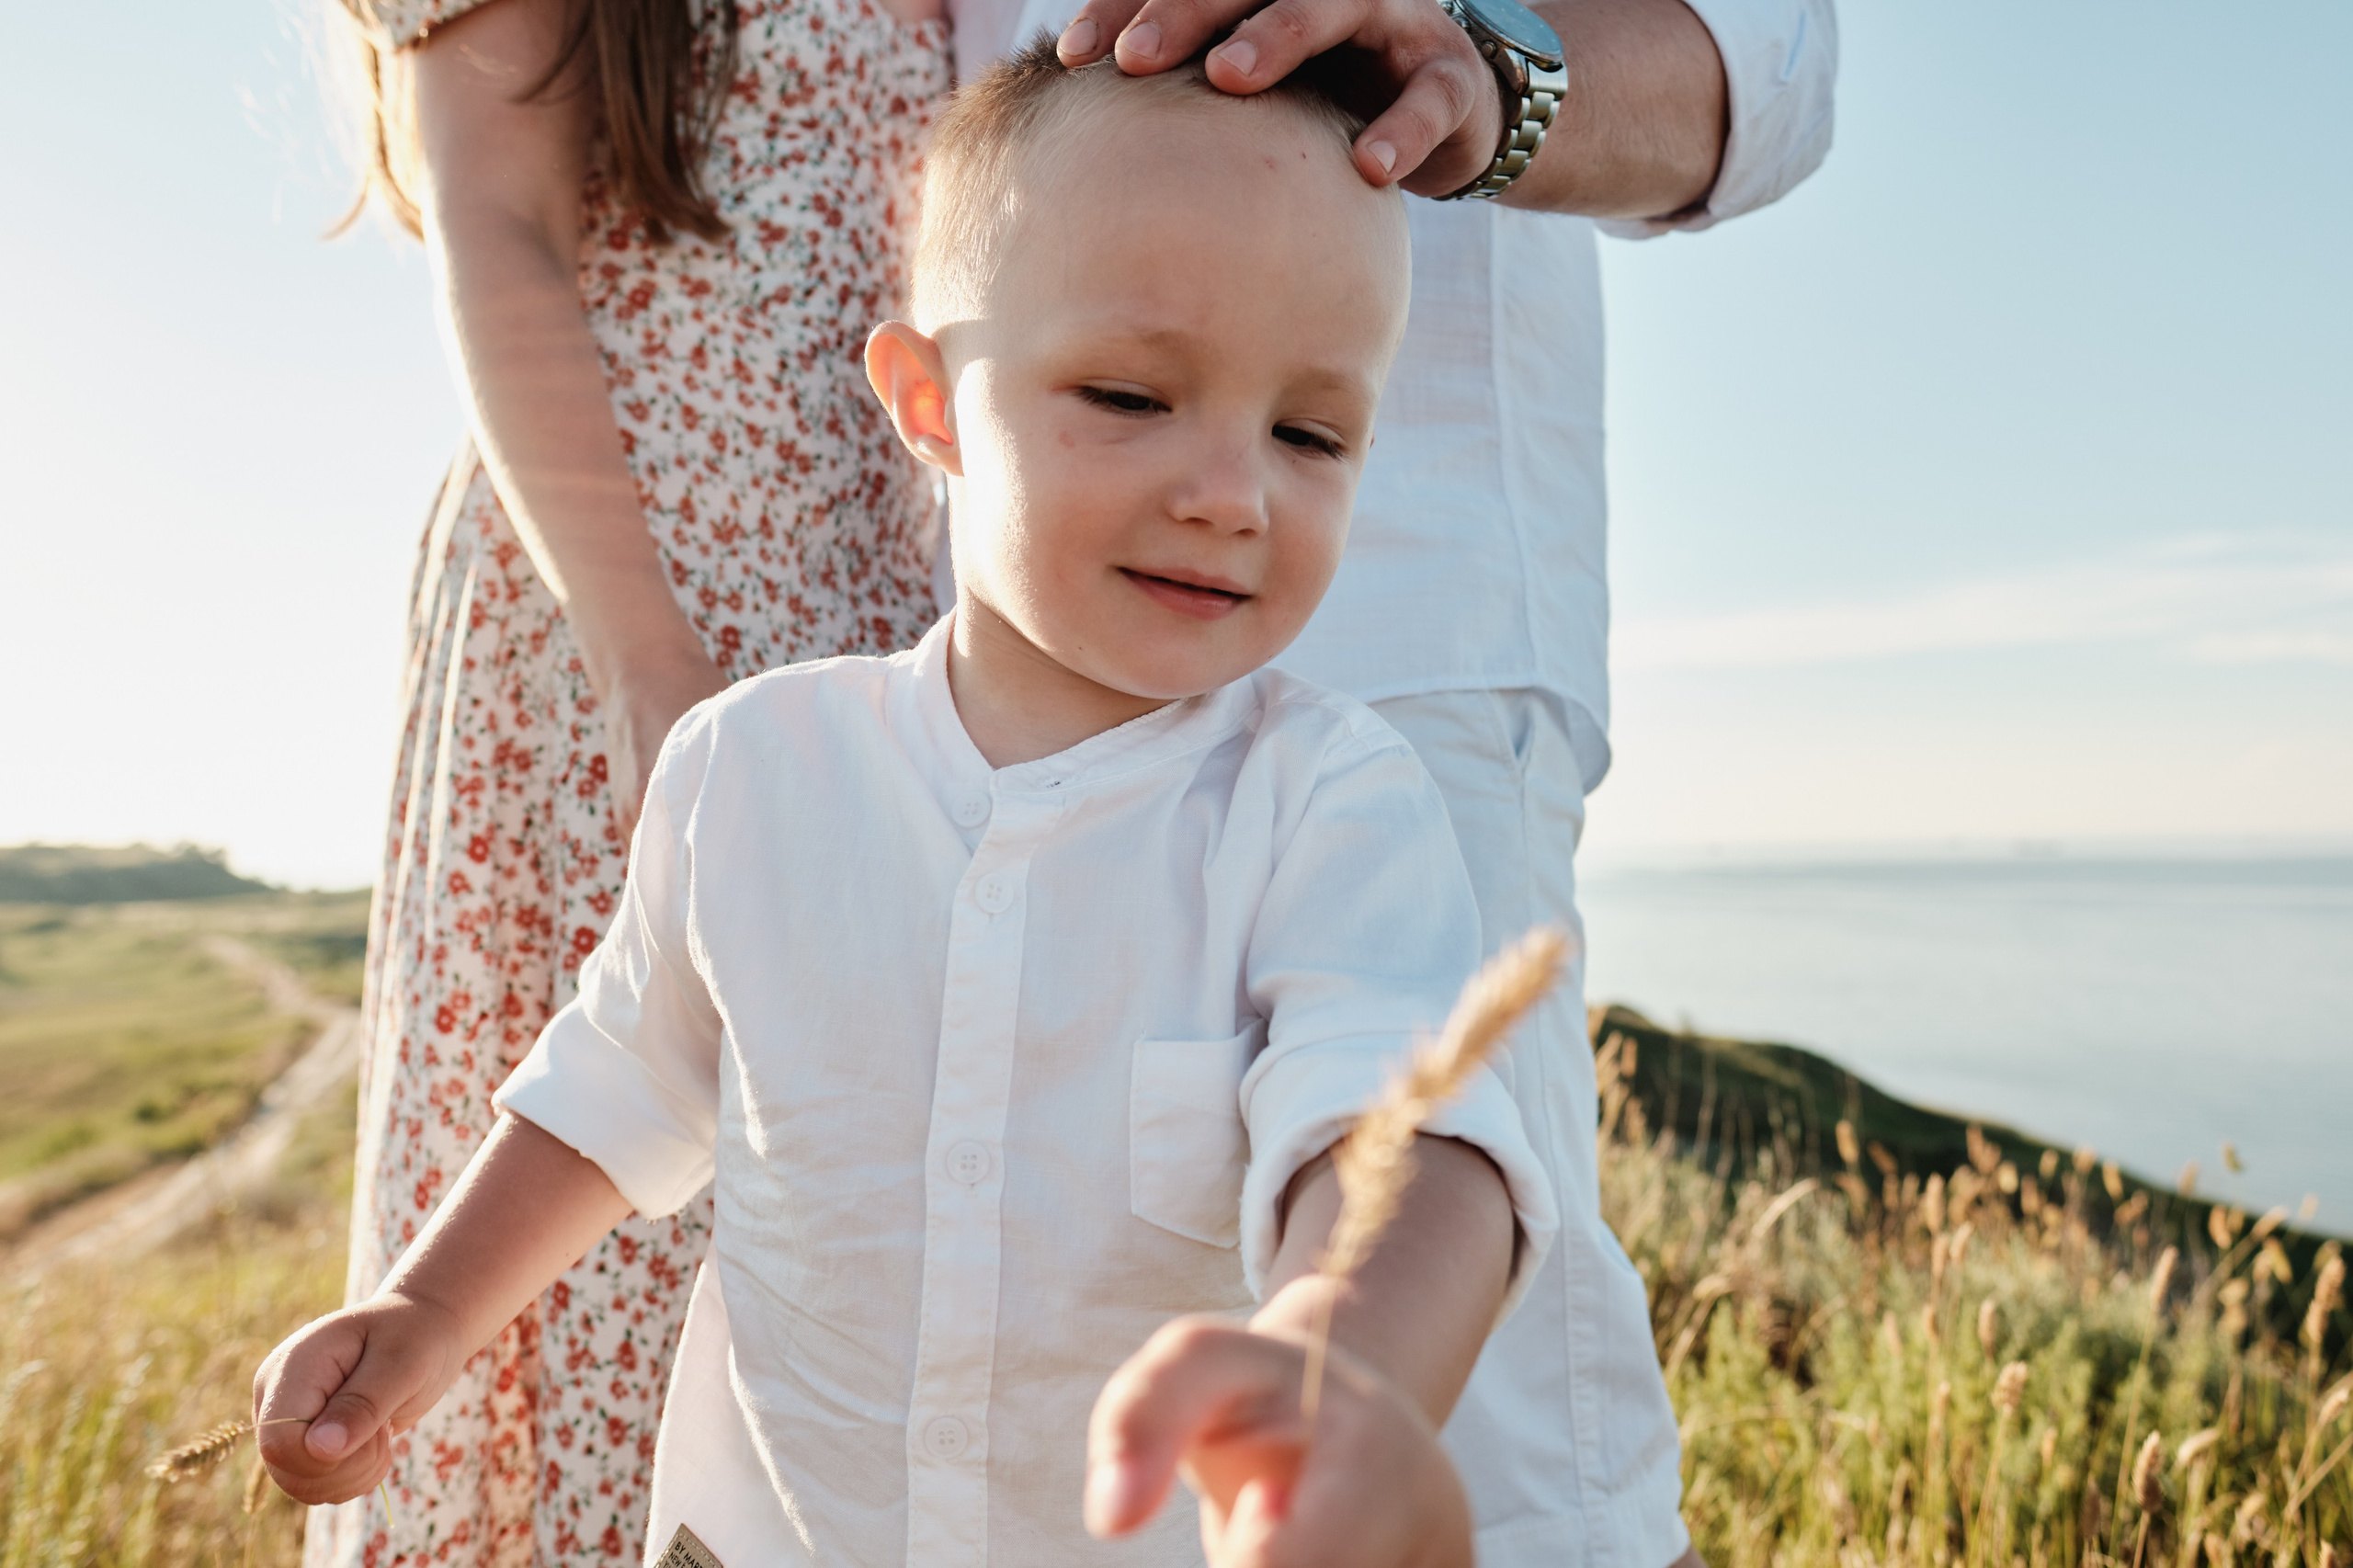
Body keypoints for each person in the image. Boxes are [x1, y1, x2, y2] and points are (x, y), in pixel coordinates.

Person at [258, 48, 1562, 1568]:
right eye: (1132, 394)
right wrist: (424, 1309)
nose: (1232, 492)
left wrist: (1347, 1369)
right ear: (930, 403)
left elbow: (1410, 1141)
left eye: (1312, 433)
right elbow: (614, 1086)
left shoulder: (1328, 809)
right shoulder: (755, 769)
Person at [962, 0, 1835, 1563]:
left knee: (1493, 1446)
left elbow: (1768, 66)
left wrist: (1481, 61)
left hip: (1397, 621)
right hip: (1007, 635)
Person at [318, 0, 951, 1560]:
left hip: (871, 599)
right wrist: (644, 658)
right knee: (607, 1195)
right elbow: (496, 219)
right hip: (631, 601)